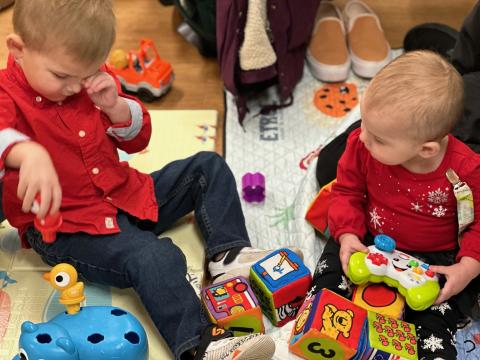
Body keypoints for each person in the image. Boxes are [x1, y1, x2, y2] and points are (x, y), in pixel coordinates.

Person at [0, 1, 287, 359]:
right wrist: (26, 153)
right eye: (62, 77)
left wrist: (116, 107)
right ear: (18, 50)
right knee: (155, 257)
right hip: (69, 229)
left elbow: (138, 139)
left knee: (207, 167)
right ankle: (202, 345)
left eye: (84, 76)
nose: (75, 88)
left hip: (124, 193)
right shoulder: (6, 94)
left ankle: (228, 255)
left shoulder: (88, 76)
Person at [311, 50, 480, 359]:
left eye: (378, 139)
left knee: (437, 320)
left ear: (426, 149)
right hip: (368, 239)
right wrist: (348, 236)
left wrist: (467, 267)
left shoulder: (466, 171)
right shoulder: (361, 145)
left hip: (434, 259)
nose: (361, 137)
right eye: (363, 124)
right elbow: (346, 193)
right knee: (328, 282)